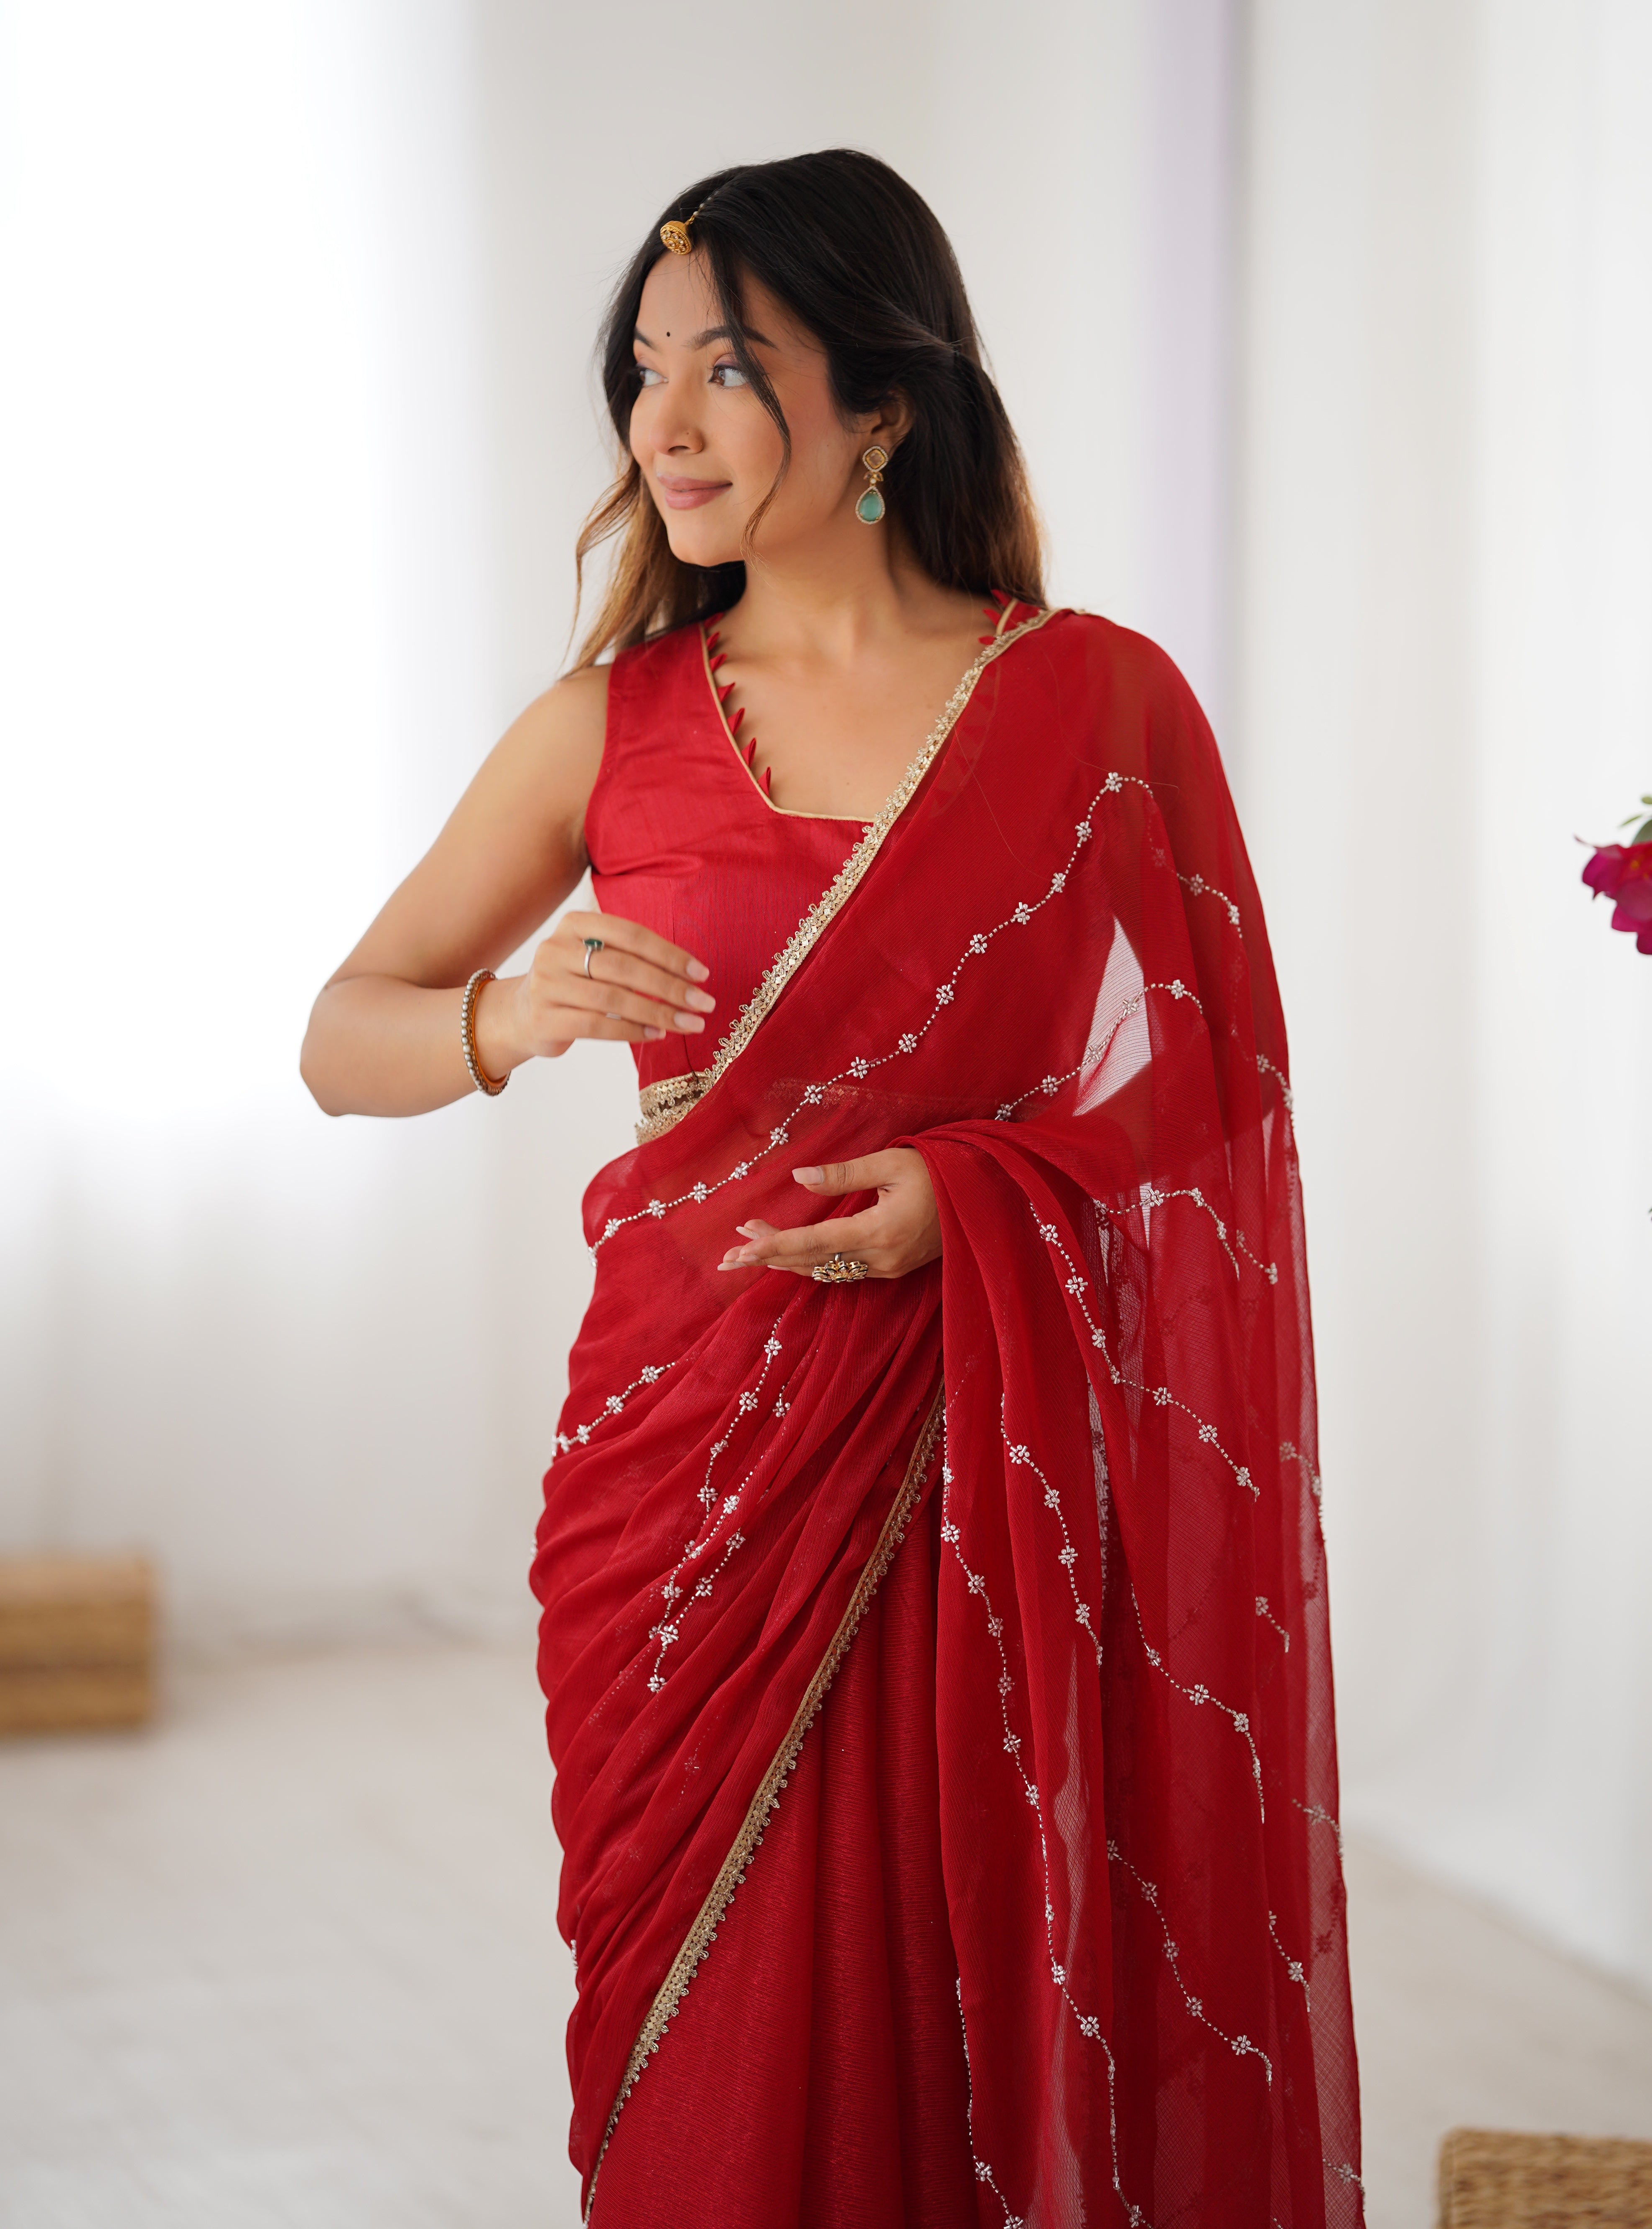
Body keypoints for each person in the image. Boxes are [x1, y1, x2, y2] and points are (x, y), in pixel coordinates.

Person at [300, 148, 1361, 2229]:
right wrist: (506, 1016)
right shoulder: (607, 725)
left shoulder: (1098, 700)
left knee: (947, 2030)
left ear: (880, 401)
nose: (665, 421)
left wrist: (976, 1194)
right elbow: (345, 1032)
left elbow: (1224, 1078)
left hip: (973, 1463)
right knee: (709, 2064)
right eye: (643, 368)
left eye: (727, 365)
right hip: (680, 1478)